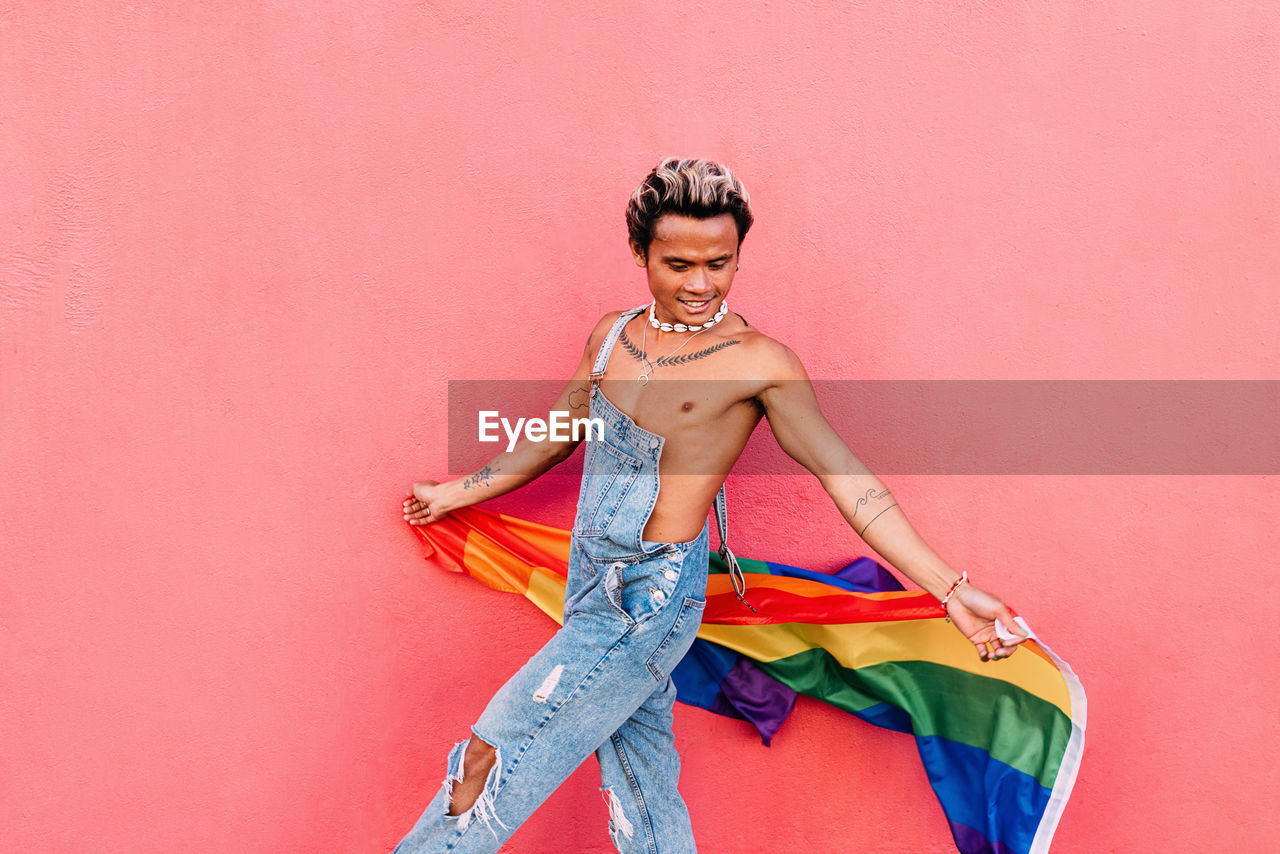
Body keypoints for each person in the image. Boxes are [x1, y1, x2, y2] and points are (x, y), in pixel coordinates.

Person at [393, 157, 1026, 853]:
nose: (700, 284)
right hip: (589, 586)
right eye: (679, 264)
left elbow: (847, 478)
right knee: (641, 788)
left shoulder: (759, 363)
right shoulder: (610, 337)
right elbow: (552, 436)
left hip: (651, 599)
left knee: (493, 752)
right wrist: (455, 493)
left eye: (719, 264)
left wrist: (950, 589)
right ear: (640, 252)